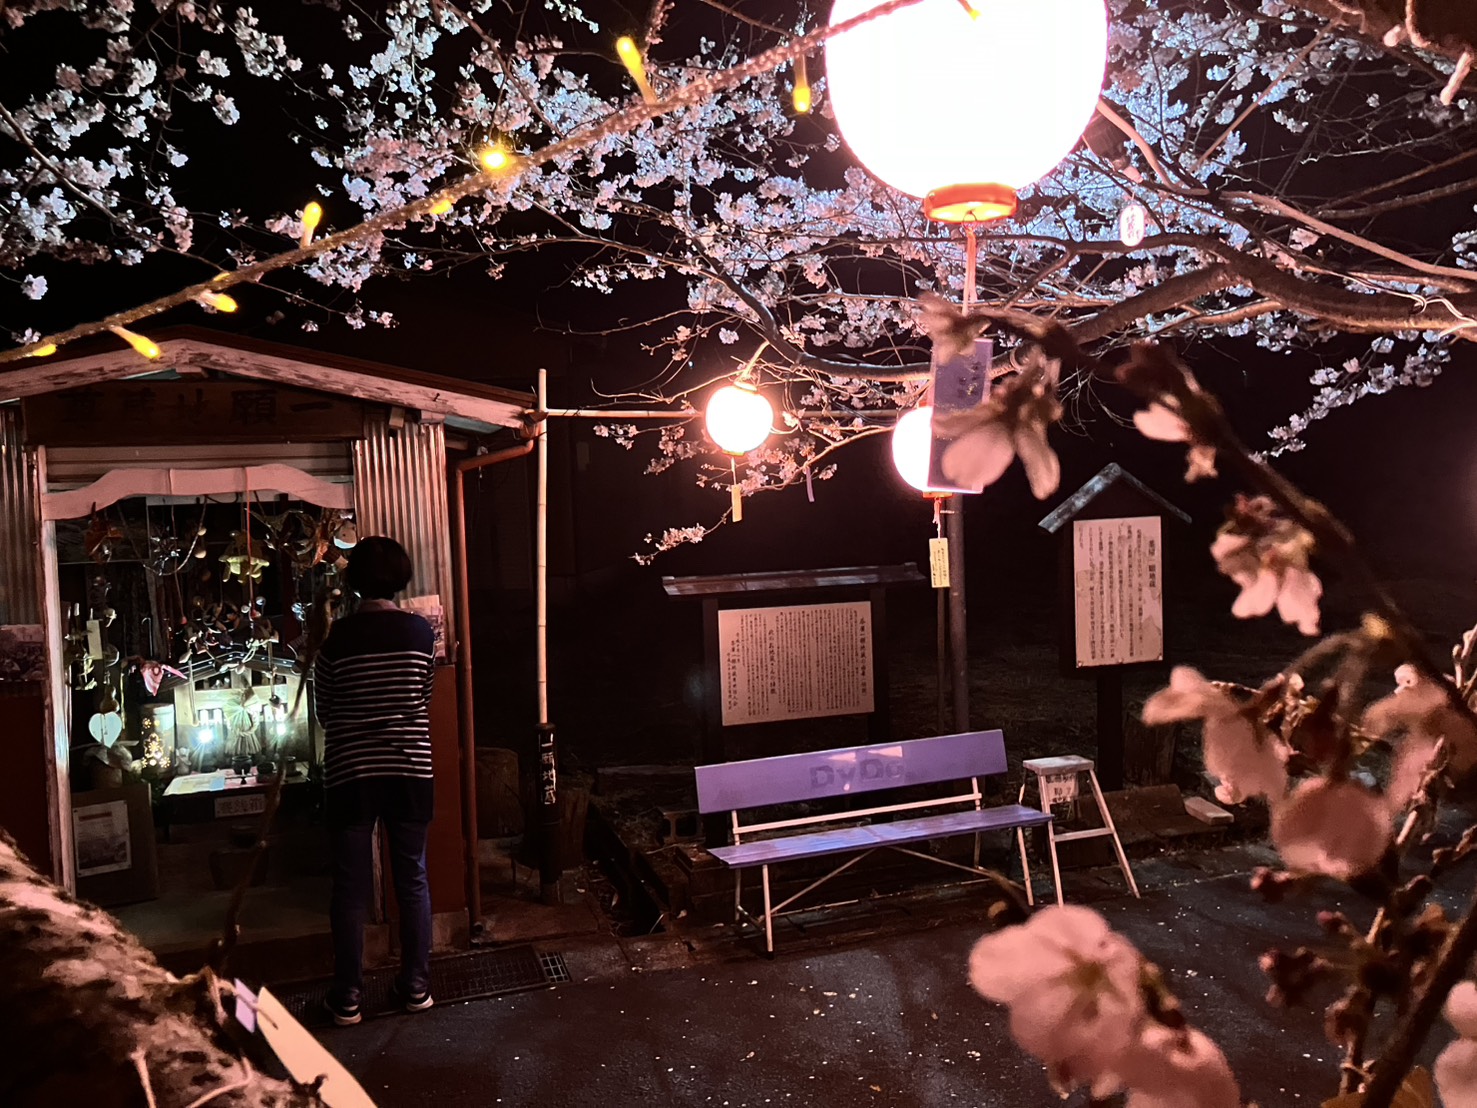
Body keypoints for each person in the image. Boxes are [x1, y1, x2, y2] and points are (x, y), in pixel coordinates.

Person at [315, 535, 437, 1026]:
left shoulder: (336, 640)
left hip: (352, 772)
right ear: (402, 578)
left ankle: (347, 995)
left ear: (354, 582)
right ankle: (416, 985)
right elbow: (423, 696)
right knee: (413, 877)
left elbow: (325, 712)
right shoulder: (421, 633)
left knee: (350, 887)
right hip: (410, 769)